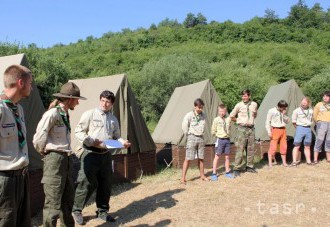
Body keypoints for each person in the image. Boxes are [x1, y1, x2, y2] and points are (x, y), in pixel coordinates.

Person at [72, 90, 131, 224]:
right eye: (103, 100)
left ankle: (102, 211)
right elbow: (78, 131)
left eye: (108, 102)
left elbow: (116, 137)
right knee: (86, 183)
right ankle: (77, 211)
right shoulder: (90, 114)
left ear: (112, 104)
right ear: (100, 100)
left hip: (105, 155)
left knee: (106, 183)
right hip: (90, 153)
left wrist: (123, 142)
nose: (104, 104)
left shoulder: (113, 119)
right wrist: (91, 141)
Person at [33, 82, 86, 227]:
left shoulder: (65, 113)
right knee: (53, 204)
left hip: (66, 159)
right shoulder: (52, 113)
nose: (78, 102)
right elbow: (38, 138)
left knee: (67, 200)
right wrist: (46, 153)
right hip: (55, 159)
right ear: (69, 99)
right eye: (76, 99)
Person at [0, 65, 33, 227]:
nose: (31, 88)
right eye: (30, 83)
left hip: (22, 177)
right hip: (4, 179)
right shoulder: (1, 109)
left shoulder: (18, 109)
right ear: (21, 83)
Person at [229, 89, 258, 177]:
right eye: (242, 96)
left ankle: (249, 166)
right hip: (241, 129)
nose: (244, 98)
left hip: (251, 129)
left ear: (249, 96)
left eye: (245, 96)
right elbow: (231, 116)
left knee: (251, 149)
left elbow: (255, 115)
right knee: (240, 149)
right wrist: (239, 120)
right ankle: (236, 168)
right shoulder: (239, 105)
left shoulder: (254, 104)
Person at [181, 98, 209, 184]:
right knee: (188, 158)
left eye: (202, 107)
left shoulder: (203, 115)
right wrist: (188, 134)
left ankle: (202, 176)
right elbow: (184, 126)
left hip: (201, 138)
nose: (200, 109)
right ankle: (183, 178)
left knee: (201, 158)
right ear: (195, 107)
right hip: (192, 137)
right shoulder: (189, 115)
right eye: (199, 107)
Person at [210, 104, 234, 181]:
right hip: (220, 140)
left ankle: (227, 172)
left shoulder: (228, 119)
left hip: (227, 140)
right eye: (220, 111)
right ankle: (214, 173)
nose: (222, 113)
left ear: (225, 111)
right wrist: (217, 135)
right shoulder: (216, 120)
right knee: (217, 156)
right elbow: (213, 131)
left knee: (227, 157)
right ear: (218, 111)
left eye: (223, 111)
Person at [266, 100, 290, 168]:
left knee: (284, 146)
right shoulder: (272, 111)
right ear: (280, 106)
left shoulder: (284, 111)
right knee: (273, 146)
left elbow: (288, 121)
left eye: (285, 108)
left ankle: (284, 162)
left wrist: (284, 114)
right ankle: (270, 163)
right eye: (283, 107)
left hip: (283, 129)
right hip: (275, 129)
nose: (285, 109)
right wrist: (269, 131)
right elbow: (267, 122)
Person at [291, 97, 314, 166]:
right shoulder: (296, 111)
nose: (303, 104)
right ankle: (294, 162)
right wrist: (298, 128)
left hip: (308, 129)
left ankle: (308, 161)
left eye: (305, 103)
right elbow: (294, 122)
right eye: (302, 102)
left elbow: (312, 119)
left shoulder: (311, 111)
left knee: (307, 146)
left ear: (308, 104)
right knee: (297, 145)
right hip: (300, 128)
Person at [313, 90, 330, 164]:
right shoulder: (319, 104)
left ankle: (328, 159)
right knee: (319, 140)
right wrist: (318, 122)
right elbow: (314, 115)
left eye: (327, 96)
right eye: (324, 96)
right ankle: (315, 159)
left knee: (329, 141)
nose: (325, 97)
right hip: (321, 124)